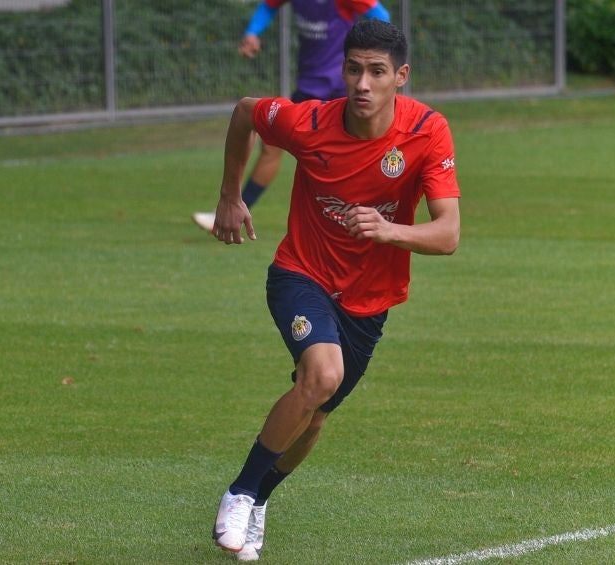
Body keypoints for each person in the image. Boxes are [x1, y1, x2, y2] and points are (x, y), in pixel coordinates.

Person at [207, 19, 460, 561]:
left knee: (316, 413)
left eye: (377, 72)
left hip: (370, 301)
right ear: (340, 71)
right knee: (323, 374)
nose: (363, 84)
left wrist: (388, 229)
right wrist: (230, 195)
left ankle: (260, 502)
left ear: (401, 77)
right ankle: (240, 492)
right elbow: (247, 110)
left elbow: (448, 234)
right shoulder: (310, 122)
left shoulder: (427, 132)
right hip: (302, 274)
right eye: (353, 69)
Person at [192, 0, 390, 233]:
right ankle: (234, 208)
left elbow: (382, 17)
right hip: (308, 88)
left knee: (349, 153)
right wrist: (252, 33)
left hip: (339, 89)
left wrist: (362, 55)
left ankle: (367, 214)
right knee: (272, 148)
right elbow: (268, 6)